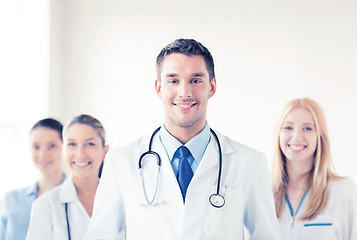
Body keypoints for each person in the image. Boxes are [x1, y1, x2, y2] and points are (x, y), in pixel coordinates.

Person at [84, 38, 280, 240]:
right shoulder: (121, 162)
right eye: (173, 81)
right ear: (159, 88)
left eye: (195, 80)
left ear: (211, 87)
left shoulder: (249, 163)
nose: (184, 92)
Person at [271, 98, 357, 240]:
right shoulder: (263, 191)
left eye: (308, 128)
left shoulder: (343, 191)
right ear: (278, 134)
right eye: (288, 127)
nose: (296, 136)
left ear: (320, 137)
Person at [26, 114, 109, 240]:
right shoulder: (46, 205)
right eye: (71, 144)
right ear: (63, 151)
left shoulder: (119, 199)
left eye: (90, 144)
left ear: (105, 151)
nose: (80, 154)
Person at [0, 118, 66, 240]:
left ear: (65, 148)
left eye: (52, 146)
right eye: (36, 147)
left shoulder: (80, 198)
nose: (42, 155)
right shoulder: (11, 200)